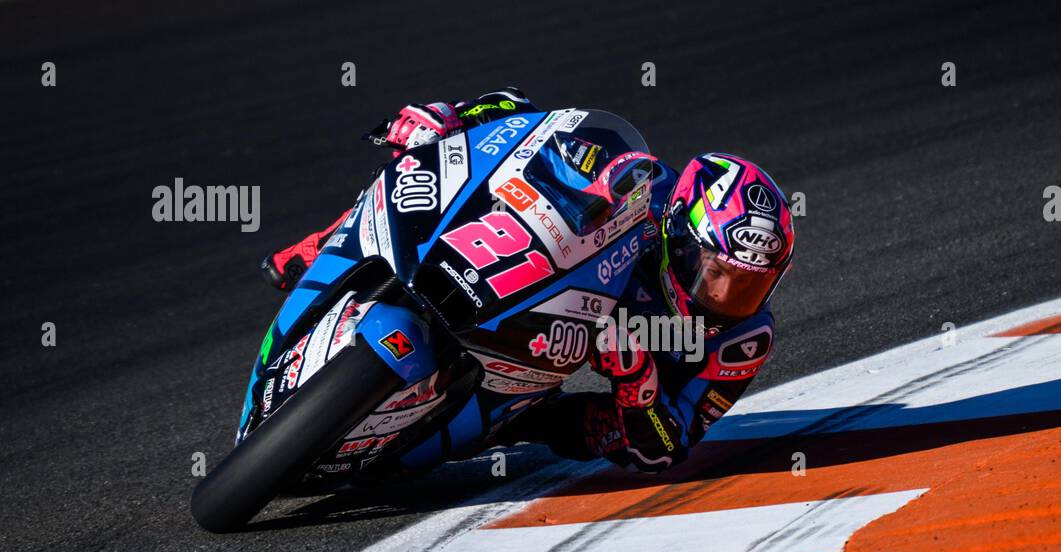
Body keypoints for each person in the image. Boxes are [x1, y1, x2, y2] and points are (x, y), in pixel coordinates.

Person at [262, 89, 795, 472]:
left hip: (578, 361)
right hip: (538, 279)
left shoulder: (741, 342)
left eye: (748, 286)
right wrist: (452, 125)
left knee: (593, 432)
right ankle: (325, 244)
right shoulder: (642, 188)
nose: (724, 298)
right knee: (495, 120)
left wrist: (637, 387)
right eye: (716, 274)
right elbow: (531, 126)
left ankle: (498, 421)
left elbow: (669, 446)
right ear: (679, 236)